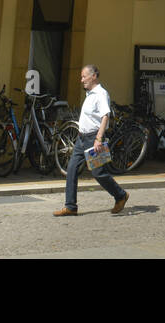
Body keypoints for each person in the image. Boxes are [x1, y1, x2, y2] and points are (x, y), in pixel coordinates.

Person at [53, 64, 129, 216]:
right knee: (72, 169)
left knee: (98, 173)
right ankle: (70, 207)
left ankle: (120, 195)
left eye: (83, 77)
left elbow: (105, 116)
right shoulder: (90, 94)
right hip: (81, 139)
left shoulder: (101, 94)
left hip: (94, 139)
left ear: (93, 76)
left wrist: (98, 139)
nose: (81, 80)